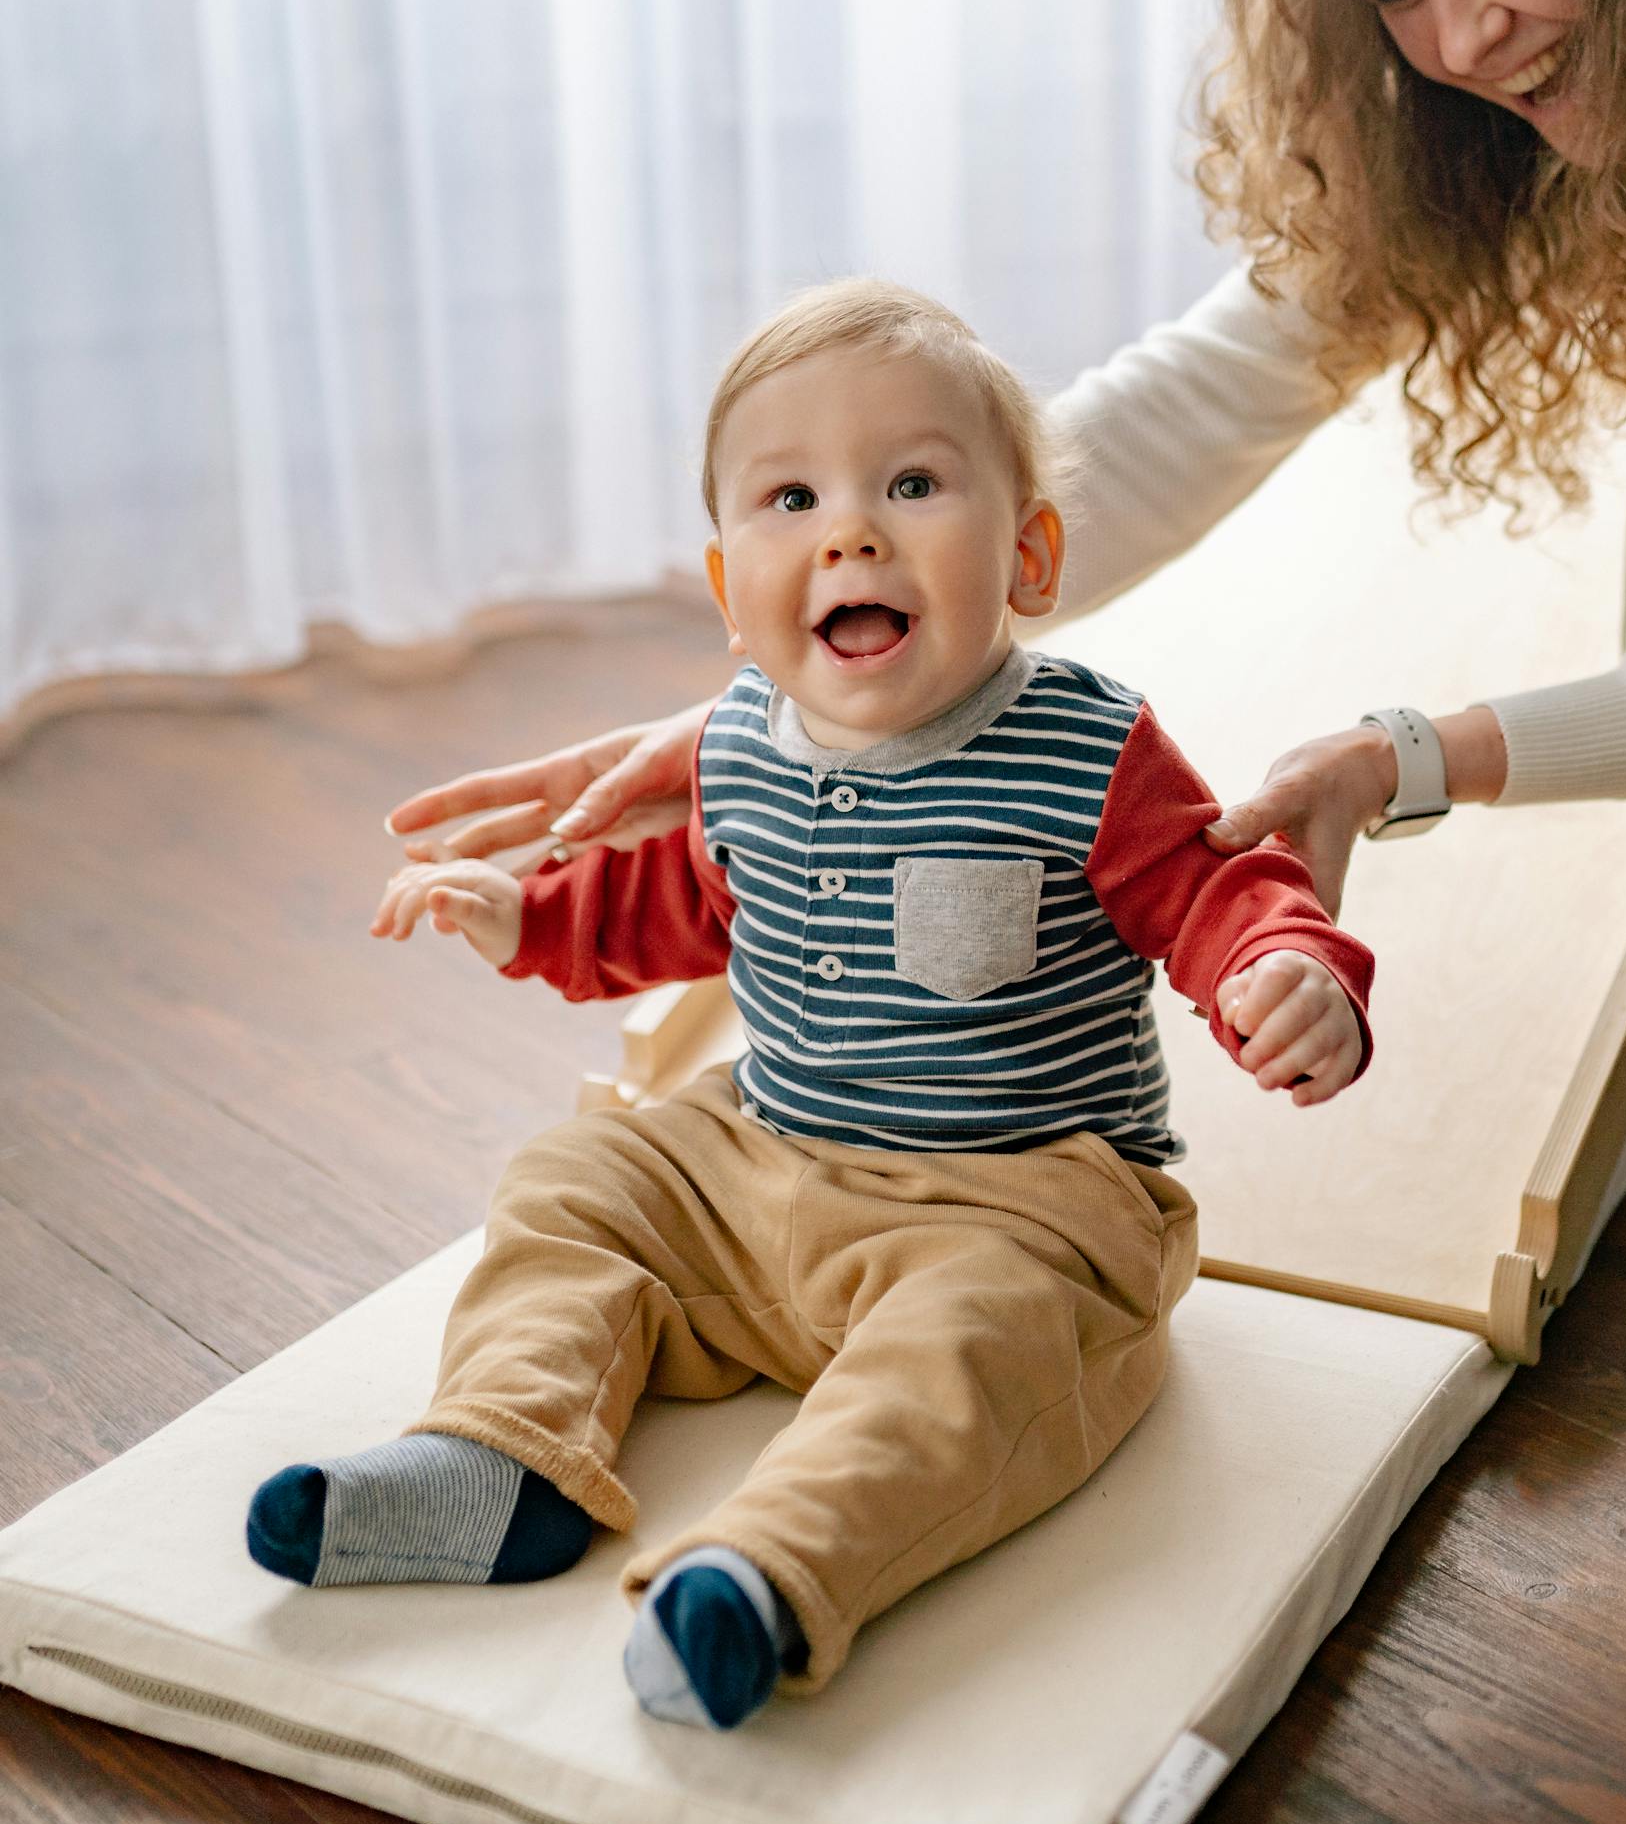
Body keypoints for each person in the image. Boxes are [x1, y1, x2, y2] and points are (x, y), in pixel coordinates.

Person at [390, 0, 1626, 1156]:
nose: (1464, 34)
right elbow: (1201, 403)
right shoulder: (1475, 85)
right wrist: (797, 697)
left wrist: (1400, 760)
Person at [247, 280, 1375, 1731]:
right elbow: (683, 907)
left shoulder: (1092, 746)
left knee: (980, 1355)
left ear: (1027, 556)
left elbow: (1218, 893)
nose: (851, 530)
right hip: (757, 1162)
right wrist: (525, 914)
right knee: (578, 1180)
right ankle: (506, 1458)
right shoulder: (737, 745)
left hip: (1014, 1203)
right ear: (731, 594)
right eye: (791, 497)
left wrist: (1286, 972)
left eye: (912, 483)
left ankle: (765, 1575)